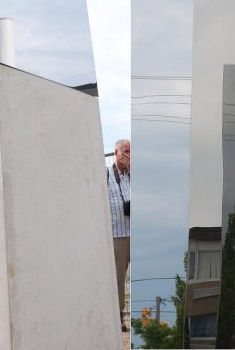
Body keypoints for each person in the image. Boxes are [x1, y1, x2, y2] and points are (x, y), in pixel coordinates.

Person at [107, 139, 130, 332]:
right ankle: (119, 316)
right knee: (119, 279)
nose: (128, 154)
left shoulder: (134, 174)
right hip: (118, 234)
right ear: (116, 152)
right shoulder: (106, 174)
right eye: (125, 151)